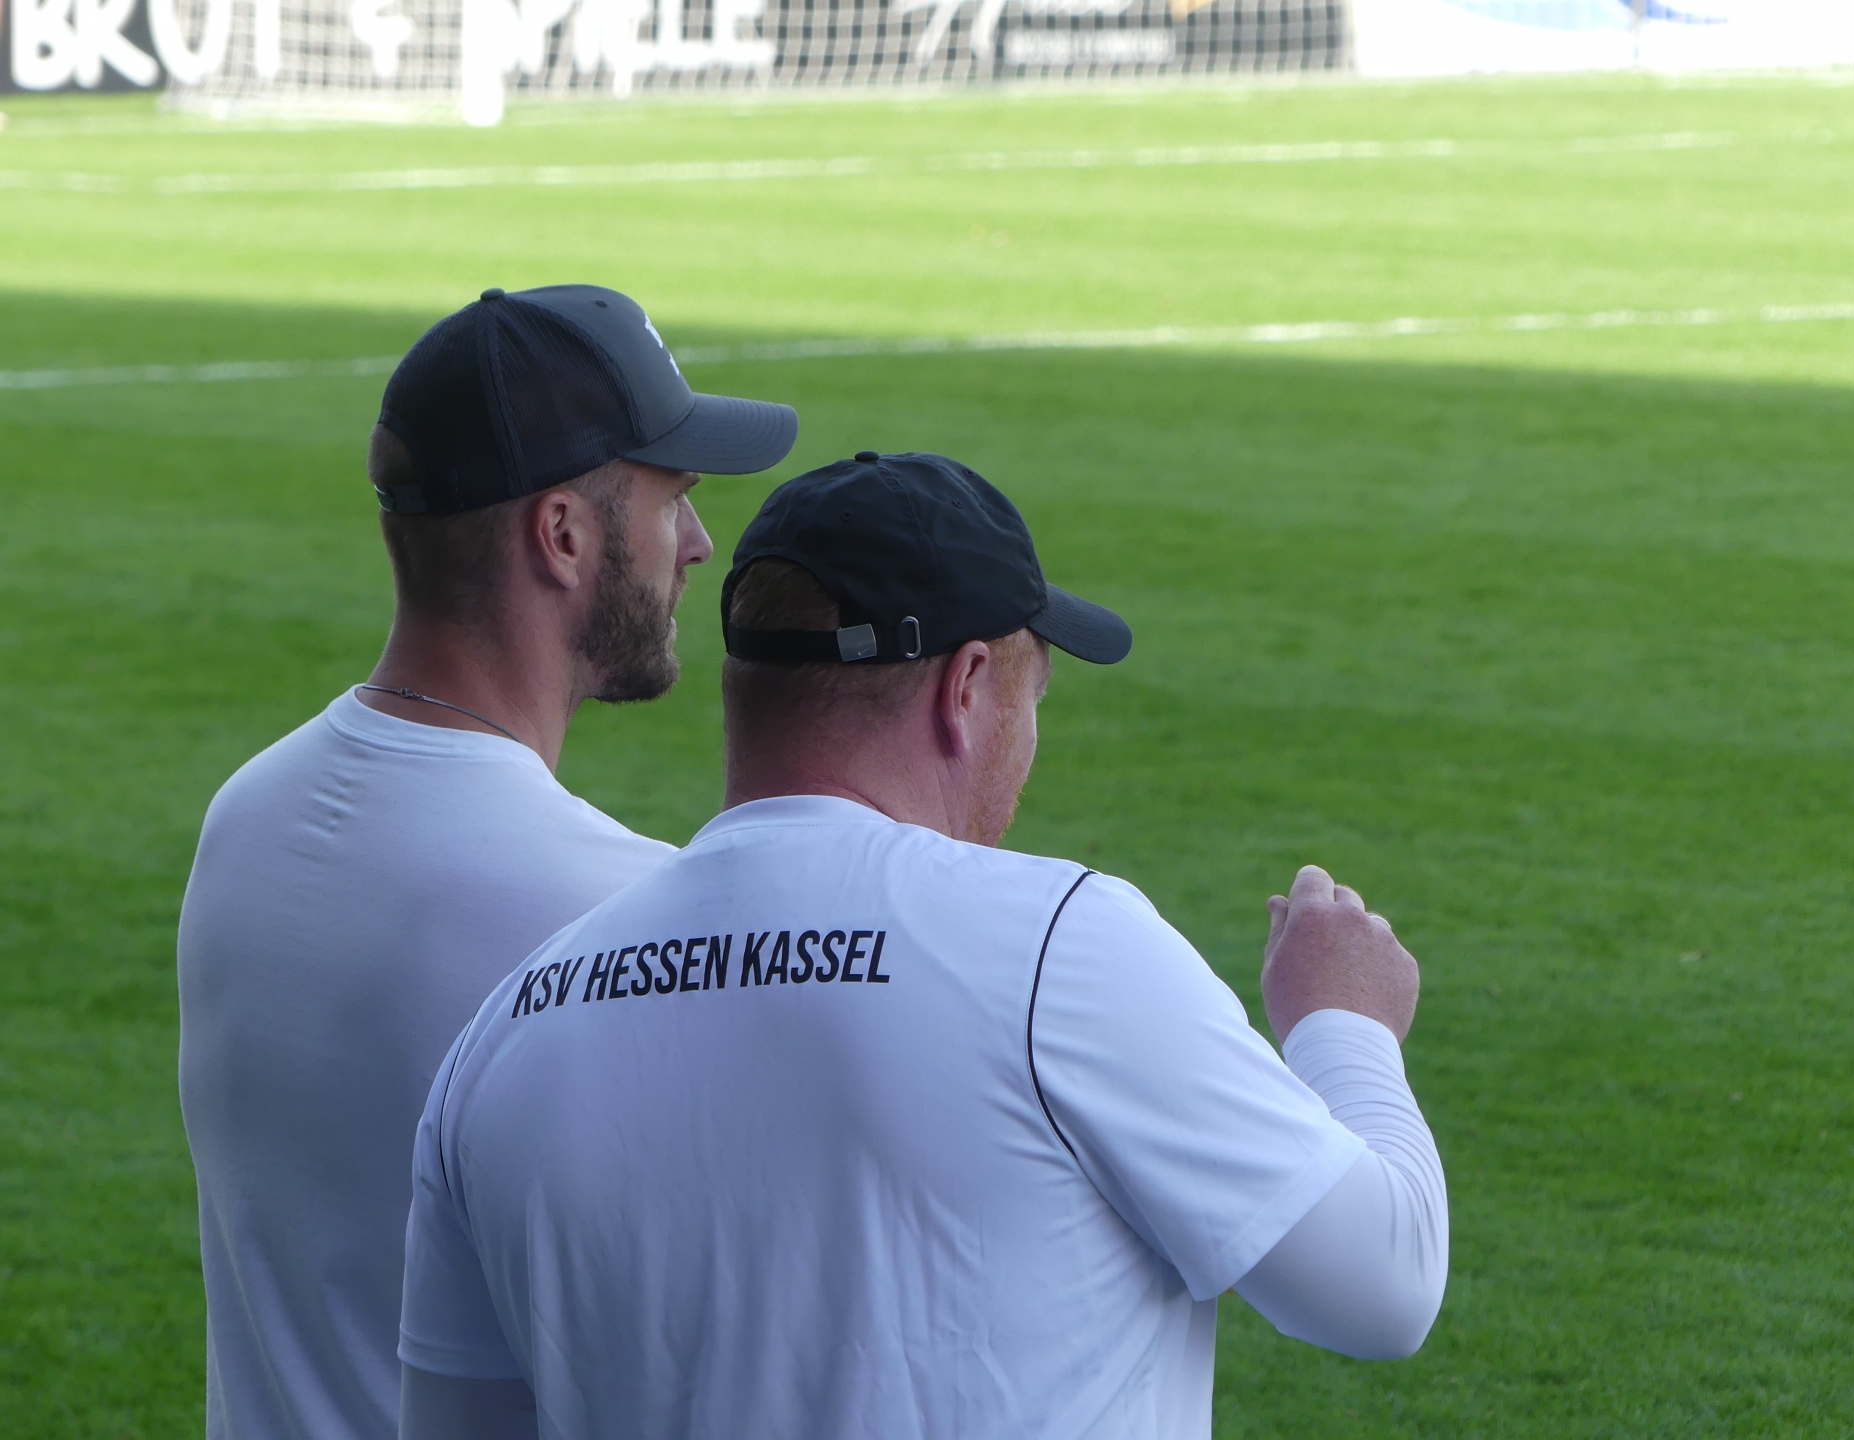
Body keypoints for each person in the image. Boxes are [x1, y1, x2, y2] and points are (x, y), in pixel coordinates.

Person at [396, 453, 1449, 1440]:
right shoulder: (1059, 950)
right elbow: (1384, 1285)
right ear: (966, 688)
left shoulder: (511, 1024)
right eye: (1031, 699)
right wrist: (1344, 1024)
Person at [176, 284, 797, 1440]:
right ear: (561, 535)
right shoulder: (623, 916)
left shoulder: (246, 814)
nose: (699, 544)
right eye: (674, 498)